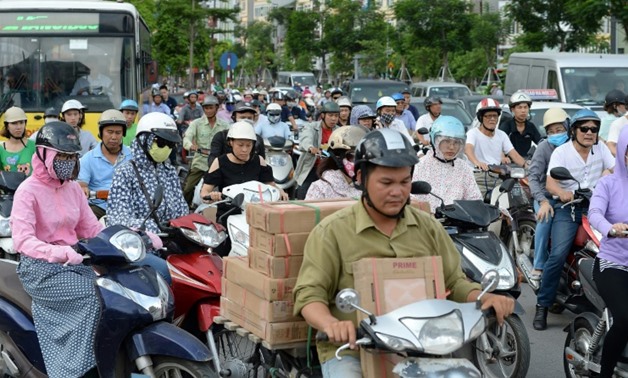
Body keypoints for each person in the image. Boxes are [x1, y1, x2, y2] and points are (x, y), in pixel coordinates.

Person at [293, 128, 515, 377]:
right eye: (386, 182)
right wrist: (332, 324)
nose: (397, 192)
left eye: (404, 182)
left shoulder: (428, 227)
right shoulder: (331, 232)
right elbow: (309, 295)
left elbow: (454, 281)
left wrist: (484, 297)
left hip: (424, 346)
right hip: (354, 349)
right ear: (361, 178)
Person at [12, 121, 103, 377]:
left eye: (71, 156)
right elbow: (23, 241)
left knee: (114, 293)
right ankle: (73, 370)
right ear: (43, 154)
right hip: (40, 269)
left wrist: (127, 237)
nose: (67, 161)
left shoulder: (73, 188)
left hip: (74, 262)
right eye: (61, 156)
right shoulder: (27, 192)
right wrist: (59, 253)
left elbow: (91, 228)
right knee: (93, 297)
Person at [533, 109, 615, 331]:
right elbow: (550, 184)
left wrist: (612, 176)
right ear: (574, 130)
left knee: (612, 248)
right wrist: (562, 193)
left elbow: (616, 169)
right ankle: (543, 304)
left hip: (597, 207)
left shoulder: (601, 149)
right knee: (558, 254)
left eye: (594, 129)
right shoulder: (562, 152)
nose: (589, 133)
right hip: (568, 209)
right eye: (584, 128)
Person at [107, 112, 188, 266]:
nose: (166, 148)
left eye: (170, 144)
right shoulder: (125, 172)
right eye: (161, 143)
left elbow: (181, 210)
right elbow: (117, 218)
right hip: (141, 246)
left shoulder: (169, 171)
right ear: (145, 140)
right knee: (165, 271)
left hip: (173, 242)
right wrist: (153, 228)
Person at [200, 121, 288, 255]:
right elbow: (204, 192)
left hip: (256, 217)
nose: (245, 149)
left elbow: (271, 185)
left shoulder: (259, 161)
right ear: (231, 143)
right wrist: (212, 196)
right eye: (240, 145)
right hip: (228, 217)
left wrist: (279, 191)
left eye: (249, 145)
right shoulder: (220, 162)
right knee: (222, 254)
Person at [588, 126, 628, 378]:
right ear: (623, 152)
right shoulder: (608, 183)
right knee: (625, 319)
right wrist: (611, 229)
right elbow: (594, 214)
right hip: (612, 264)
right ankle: (605, 373)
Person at [527, 107, 571, 289]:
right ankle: (538, 265)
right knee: (545, 219)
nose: (556, 134)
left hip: (571, 197)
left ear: (568, 127)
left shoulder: (576, 146)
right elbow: (533, 177)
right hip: (547, 197)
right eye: (551, 131)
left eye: (559, 129)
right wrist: (543, 201)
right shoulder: (544, 148)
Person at [411, 116, 481, 212]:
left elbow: (475, 199)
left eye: (456, 142)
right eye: (446, 141)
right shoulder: (419, 166)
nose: (451, 147)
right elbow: (409, 198)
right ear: (434, 140)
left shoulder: (464, 168)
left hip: (457, 223)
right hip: (426, 221)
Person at [465, 98, 527, 198]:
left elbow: (513, 154)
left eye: (495, 115)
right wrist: (477, 163)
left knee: (513, 201)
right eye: (488, 116)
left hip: (498, 177)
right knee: (478, 204)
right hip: (477, 177)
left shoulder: (502, 135)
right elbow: (468, 149)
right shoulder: (473, 133)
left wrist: (526, 165)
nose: (492, 119)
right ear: (481, 117)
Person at [78, 109, 132, 219]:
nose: (114, 137)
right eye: (110, 132)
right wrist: (83, 189)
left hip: (129, 208)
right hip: (99, 208)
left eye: (118, 133)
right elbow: (82, 185)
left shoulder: (133, 156)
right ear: (101, 133)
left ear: (123, 133)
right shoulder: (88, 158)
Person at [182, 95, 230, 205]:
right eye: (206, 108)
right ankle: (185, 209)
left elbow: (232, 141)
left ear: (217, 108)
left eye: (211, 108)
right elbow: (187, 137)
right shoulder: (196, 123)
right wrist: (191, 145)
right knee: (187, 188)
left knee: (228, 189)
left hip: (219, 164)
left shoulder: (225, 125)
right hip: (200, 163)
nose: (208, 111)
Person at [293, 101, 341, 199]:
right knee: (303, 194)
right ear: (323, 115)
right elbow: (305, 139)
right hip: (312, 167)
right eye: (330, 115)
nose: (333, 119)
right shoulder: (311, 126)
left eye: (336, 116)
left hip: (330, 169)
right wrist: (311, 148)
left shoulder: (339, 130)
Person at [305, 126, 366, 200]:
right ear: (337, 157)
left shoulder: (369, 187)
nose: (358, 162)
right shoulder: (320, 188)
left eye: (364, 157)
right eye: (351, 156)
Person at [207, 101, 266, 167]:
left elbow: (262, 163)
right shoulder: (221, 137)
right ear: (234, 118)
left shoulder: (258, 139)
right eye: (242, 117)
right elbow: (212, 162)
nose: (246, 120)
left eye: (249, 118)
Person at [499, 91, 541, 157]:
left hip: (526, 163)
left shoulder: (531, 126)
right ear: (512, 109)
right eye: (520, 107)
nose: (523, 111)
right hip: (509, 164)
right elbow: (498, 145)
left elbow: (540, 143)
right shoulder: (506, 126)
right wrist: (502, 157)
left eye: (525, 107)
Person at [0, 106, 35, 175]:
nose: (19, 127)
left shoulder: (34, 146)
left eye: (21, 122)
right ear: (7, 126)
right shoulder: (1, 149)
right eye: (14, 123)